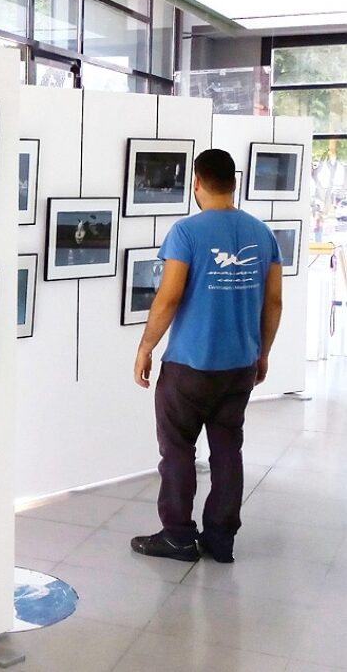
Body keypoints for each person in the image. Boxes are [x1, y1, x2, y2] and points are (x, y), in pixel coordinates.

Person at [130, 148, 283, 564]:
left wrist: (146, 347)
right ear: (232, 182)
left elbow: (169, 297)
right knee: (227, 450)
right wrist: (262, 353)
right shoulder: (262, 234)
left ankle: (178, 536)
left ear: (196, 182)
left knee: (178, 450)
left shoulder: (186, 232)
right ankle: (221, 539)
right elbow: (273, 302)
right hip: (239, 365)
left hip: (189, 366)